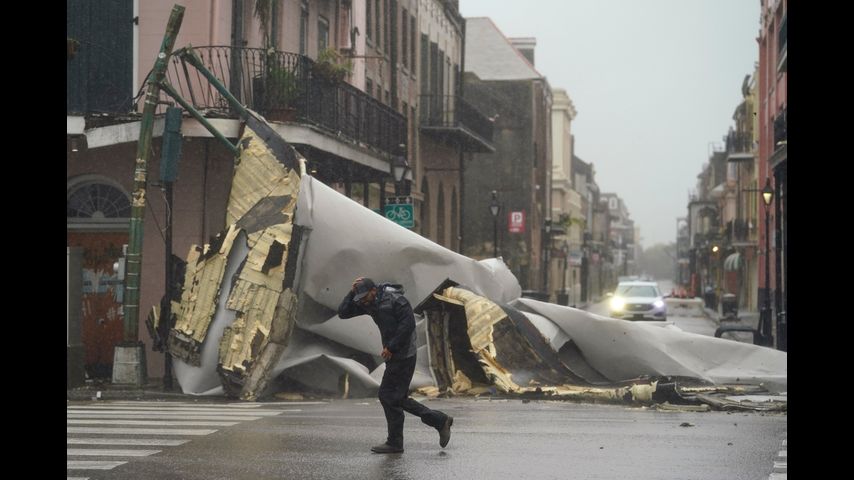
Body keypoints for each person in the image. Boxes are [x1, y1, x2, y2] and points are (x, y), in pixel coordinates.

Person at [338, 277, 454, 454]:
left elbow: (407, 326)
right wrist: (352, 292)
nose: (362, 301)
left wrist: (392, 347)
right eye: (359, 298)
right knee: (394, 397)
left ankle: (400, 440)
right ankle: (435, 422)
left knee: (389, 396)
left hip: (405, 353)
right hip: (393, 354)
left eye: (364, 296)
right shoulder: (368, 302)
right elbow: (343, 313)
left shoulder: (396, 300)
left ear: (373, 290)